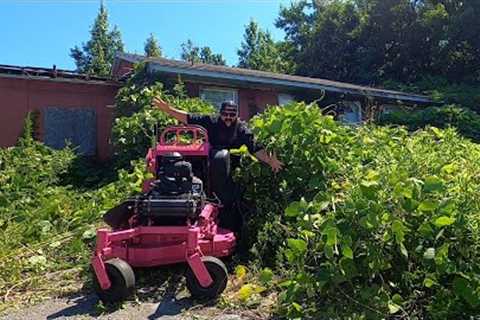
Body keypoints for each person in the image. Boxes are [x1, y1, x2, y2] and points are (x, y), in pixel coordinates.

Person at [152, 97, 283, 232]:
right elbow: (188, 118)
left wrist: (270, 160)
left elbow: (254, 147)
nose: (228, 118)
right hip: (209, 164)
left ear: (236, 115)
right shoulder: (211, 121)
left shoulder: (241, 128)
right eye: (225, 114)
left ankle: (228, 224)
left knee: (230, 197)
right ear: (220, 113)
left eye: (232, 115)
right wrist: (168, 110)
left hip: (230, 170)